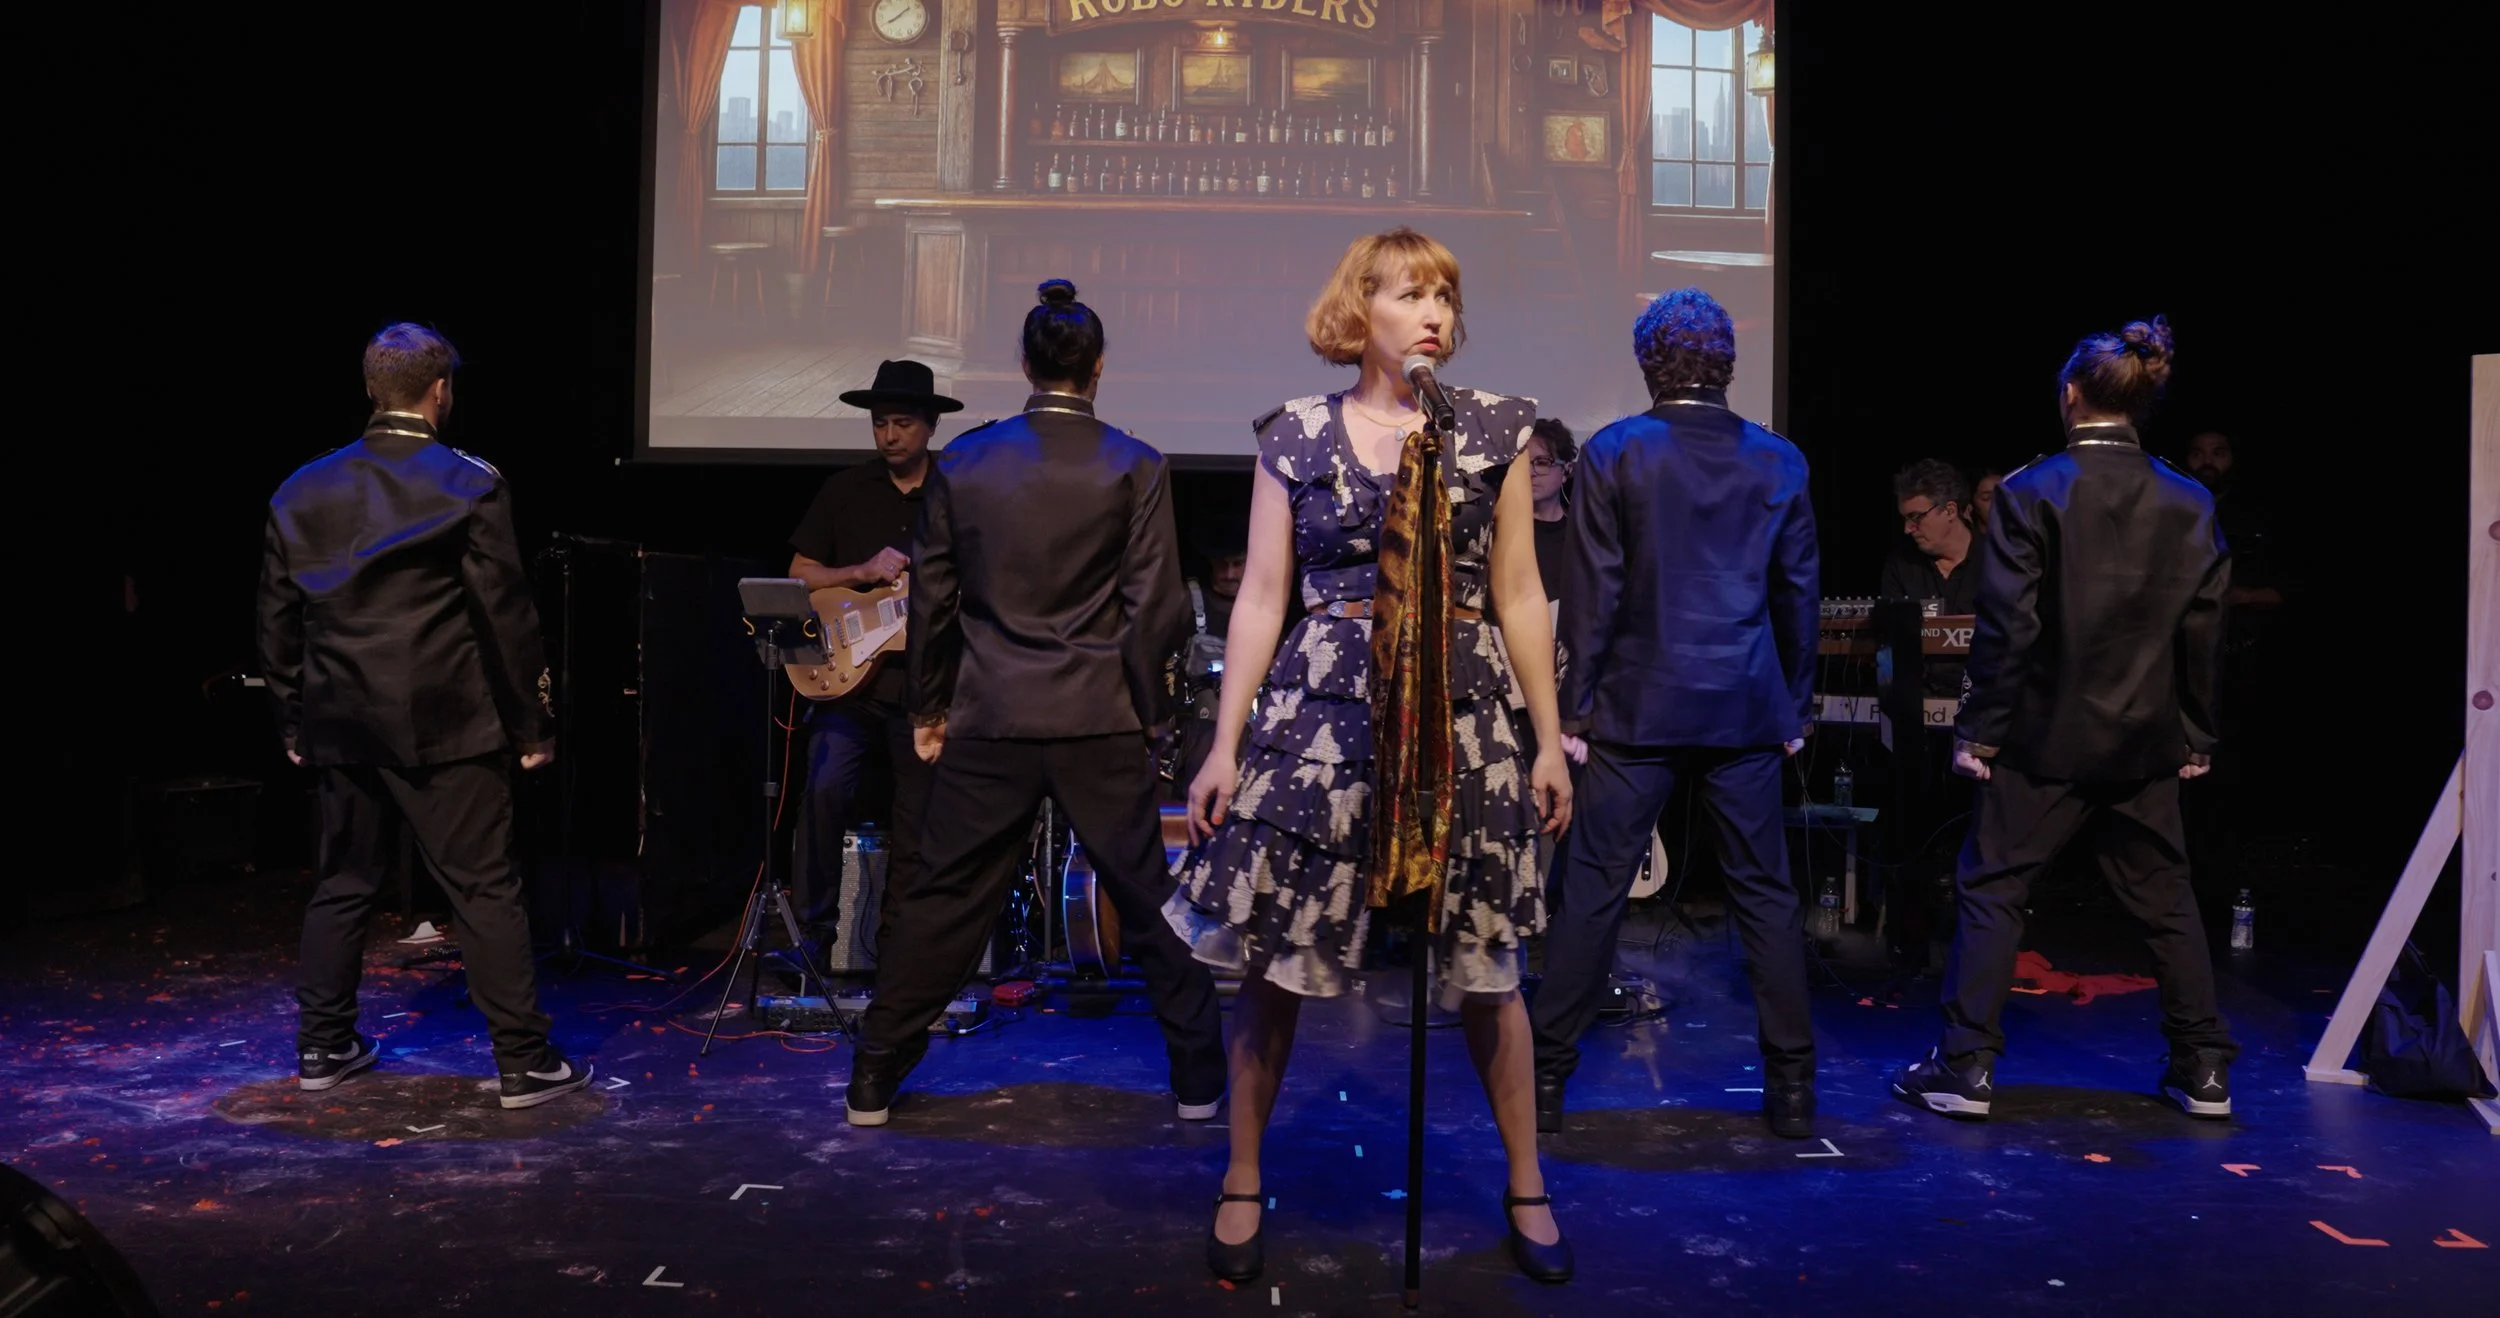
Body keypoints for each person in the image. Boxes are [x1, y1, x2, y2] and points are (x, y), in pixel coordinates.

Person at [1164, 229, 1574, 1285]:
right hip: (1326, 716)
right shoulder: (1295, 435)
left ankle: (1527, 1182)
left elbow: (1520, 592)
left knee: (1487, 965)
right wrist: (1225, 741)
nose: (1432, 310)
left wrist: (1544, 735)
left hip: (1462, 712)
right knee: (1275, 958)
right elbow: (1261, 594)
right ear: (1360, 311)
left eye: (1443, 292)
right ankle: (1243, 1176)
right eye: (1407, 293)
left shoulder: (1490, 431)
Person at [845, 281, 1227, 1134]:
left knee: (943, 900)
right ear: (1098, 368)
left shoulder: (966, 464)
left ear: (1024, 365)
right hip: (1097, 718)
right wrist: (1146, 709)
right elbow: (1158, 608)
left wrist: (928, 709)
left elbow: (934, 601)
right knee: (1148, 899)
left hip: (993, 717)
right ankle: (1200, 1080)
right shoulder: (1135, 462)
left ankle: (873, 1078)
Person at [1892, 316, 2239, 1122]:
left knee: (1993, 887)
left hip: (2043, 739)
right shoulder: (2189, 500)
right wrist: (2196, 732)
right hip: (2146, 737)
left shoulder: (2028, 490)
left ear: (2071, 396)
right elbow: (2205, 630)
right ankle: (2205, 1071)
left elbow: (2011, 627)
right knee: (2166, 899)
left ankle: (1967, 1068)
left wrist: (1978, 729)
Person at [256, 323, 592, 1109]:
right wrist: (532, 727)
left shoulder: (300, 486)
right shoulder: (467, 480)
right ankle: (522, 1062)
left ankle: (323, 1046)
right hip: (447, 724)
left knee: (342, 884)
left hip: (341, 720)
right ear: (441, 391)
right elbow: (505, 616)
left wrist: (294, 721)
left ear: (373, 390)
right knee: (482, 888)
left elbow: (275, 618)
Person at [1528, 288, 1822, 1142]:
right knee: (1765, 896)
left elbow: (1594, 596)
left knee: (1594, 889)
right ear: (1725, 365)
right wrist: (1795, 702)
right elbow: (1796, 596)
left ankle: (1546, 1082)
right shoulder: (1780, 460)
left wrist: (1576, 710)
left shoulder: (1616, 452)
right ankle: (1793, 1091)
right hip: (1743, 704)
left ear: (1650, 364)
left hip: (1634, 704)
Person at [784, 359, 960, 971]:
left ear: (931, 427)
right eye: (880, 423)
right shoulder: (845, 490)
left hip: (926, 691)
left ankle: (901, 949)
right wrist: (857, 572)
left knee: (919, 819)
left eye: (903, 423)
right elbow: (800, 574)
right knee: (825, 789)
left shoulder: (957, 494)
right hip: (850, 687)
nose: (889, 435)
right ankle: (812, 935)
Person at [1171, 513, 1250, 797]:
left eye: (1237, 564)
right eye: (1221, 565)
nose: (1229, 574)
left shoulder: (1273, 609)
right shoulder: (1187, 603)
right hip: (1198, 727)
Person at [1881, 459, 1981, 616]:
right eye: (1905, 518)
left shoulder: (1998, 560)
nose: (1907, 529)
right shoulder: (1900, 565)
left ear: (1950, 511)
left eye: (1915, 517)